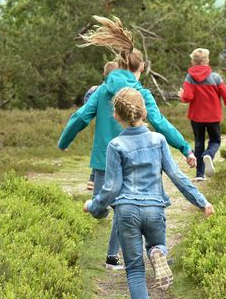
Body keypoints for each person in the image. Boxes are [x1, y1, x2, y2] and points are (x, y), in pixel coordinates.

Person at [58, 16, 197, 270]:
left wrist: (64, 141)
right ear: (140, 67)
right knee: (126, 206)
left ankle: (113, 257)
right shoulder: (141, 94)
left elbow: (80, 117)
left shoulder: (102, 89)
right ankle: (152, 250)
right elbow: (161, 123)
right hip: (135, 160)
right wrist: (185, 147)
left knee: (114, 208)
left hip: (103, 160)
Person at [83, 87, 214, 298]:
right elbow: (177, 176)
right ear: (144, 113)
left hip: (126, 211)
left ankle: (154, 254)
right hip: (154, 209)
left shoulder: (115, 145)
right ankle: (157, 252)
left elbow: (111, 188)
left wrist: (94, 207)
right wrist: (201, 201)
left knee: (134, 271)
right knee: (157, 244)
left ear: (116, 115)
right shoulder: (158, 140)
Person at [178, 48, 226, 180]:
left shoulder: (189, 77)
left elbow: (187, 97)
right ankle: (209, 154)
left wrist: (181, 95)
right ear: (207, 61)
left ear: (193, 62)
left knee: (198, 143)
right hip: (213, 117)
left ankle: (199, 174)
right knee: (215, 140)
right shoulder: (215, 77)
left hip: (196, 117)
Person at [84, 61, 119, 191]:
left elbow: (86, 107)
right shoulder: (124, 90)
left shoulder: (97, 90)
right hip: (118, 127)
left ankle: (93, 179)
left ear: (104, 74)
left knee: (101, 151)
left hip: (102, 127)